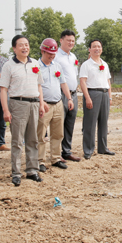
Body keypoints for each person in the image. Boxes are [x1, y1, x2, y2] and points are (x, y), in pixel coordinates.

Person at [0, 35, 47, 186]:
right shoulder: (8, 65)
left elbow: (39, 85)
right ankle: (16, 172)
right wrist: (6, 110)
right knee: (17, 141)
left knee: (33, 139)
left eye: (27, 45)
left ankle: (32, 170)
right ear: (14, 48)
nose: (25, 47)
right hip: (18, 104)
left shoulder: (35, 63)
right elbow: (3, 89)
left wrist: (41, 103)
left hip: (34, 103)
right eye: (21, 45)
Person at [37, 38, 73, 172]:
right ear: (42, 51)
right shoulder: (36, 66)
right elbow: (36, 86)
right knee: (40, 134)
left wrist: (68, 98)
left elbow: (63, 83)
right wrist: (41, 102)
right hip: (44, 104)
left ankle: (56, 158)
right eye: (48, 54)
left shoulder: (57, 66)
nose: (51, 56)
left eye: (53, 54)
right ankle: (39, 160)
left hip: (58, 103)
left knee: (58, 133)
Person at [80, 39, 114, 158]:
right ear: (89, 49)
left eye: (99, 46)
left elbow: (108, 81)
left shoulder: (104, 64)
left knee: (104, 122)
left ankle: (103, 147)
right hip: (93, 93)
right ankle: (88, 150)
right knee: (90, 123)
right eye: (94, 46)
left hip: (104, 93)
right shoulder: (86, 65)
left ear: (102, 49)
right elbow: (83, 82)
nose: (97, 48)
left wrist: (110, 96)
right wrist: (87, 98)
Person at [54, 29, 82, 162]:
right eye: (68, 40)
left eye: (73, 41)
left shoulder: (73, 57)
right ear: (61, 40)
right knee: (59, 124)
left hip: (73, 94)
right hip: (60, 94)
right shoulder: (55, 56)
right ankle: (56, 152)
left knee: (70, 123)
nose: (71, 43)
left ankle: (66, 151)